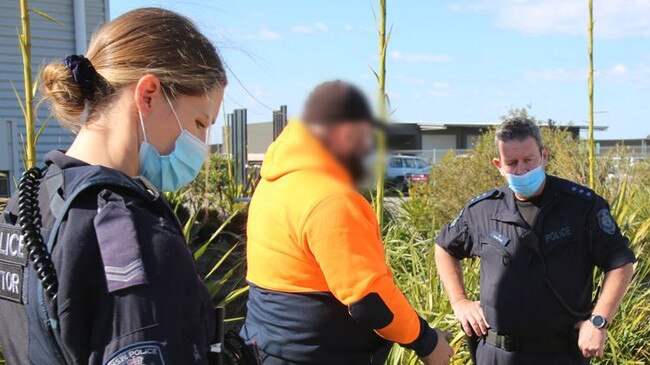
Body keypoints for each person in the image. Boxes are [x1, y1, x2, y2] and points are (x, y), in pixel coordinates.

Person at [0, 8, 226, 365]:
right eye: (200, 122)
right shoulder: (129, 230)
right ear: (148, 94)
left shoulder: (31, 197)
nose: (202, 143)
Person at [240, 80, 454, 365]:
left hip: (266, 347)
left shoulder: (274, 182)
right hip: (317, 355)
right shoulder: (330, 199)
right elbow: (370, 301)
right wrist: (427, 342)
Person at [434, 118, 636, 365]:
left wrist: (599, 321)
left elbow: (621, 263)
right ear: (499, 165)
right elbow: (444, 248)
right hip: (497, 354)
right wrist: (460, 302)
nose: (521, 170)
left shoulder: (581, 207)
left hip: (560, 354)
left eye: (529, 160)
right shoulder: (483, 210)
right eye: (512, 163)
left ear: (544, 155)